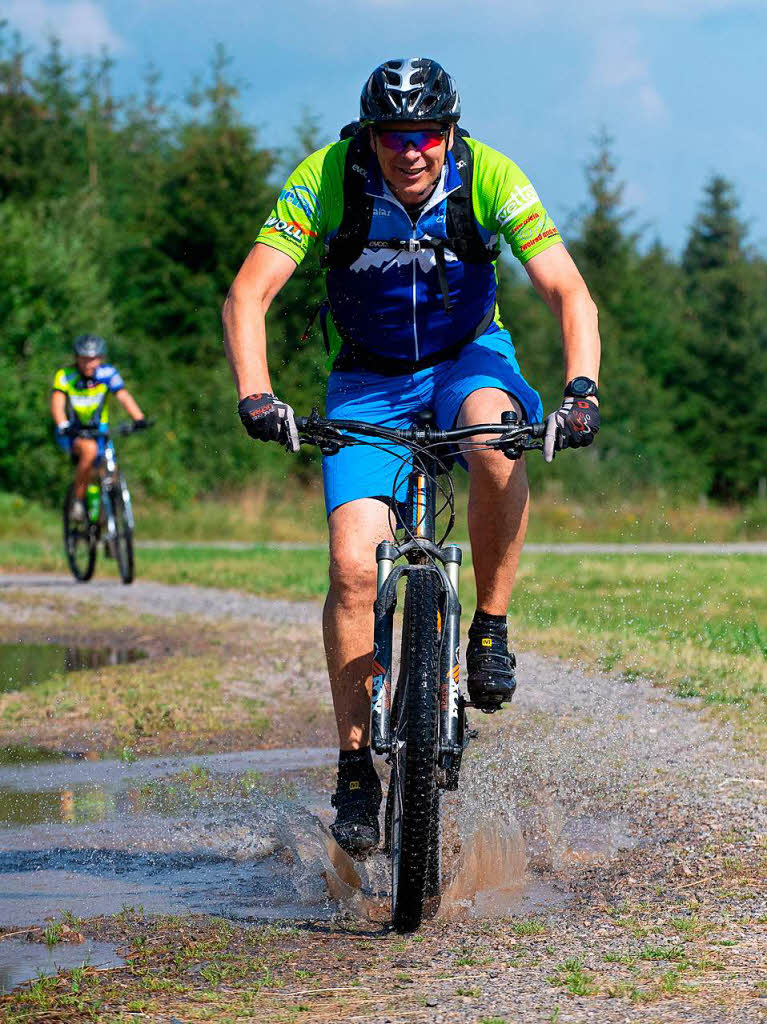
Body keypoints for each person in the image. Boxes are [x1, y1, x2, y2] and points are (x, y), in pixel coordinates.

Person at [223, 58, 601, 855]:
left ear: (449, 130)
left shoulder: (489, 175)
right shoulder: (329, 178)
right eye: (393, 135)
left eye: (425, 133)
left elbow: (568, 291)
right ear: (370, 136)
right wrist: (256, 394)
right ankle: (355, 766)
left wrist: (581, 389)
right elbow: (248, 294)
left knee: (497, 440)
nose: (411, 151)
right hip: (367, 378)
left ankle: (490, 627)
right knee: (353, 568)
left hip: (468, 361)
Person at [51, 334, 147, 521]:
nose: (89, 363)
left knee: (110, 467)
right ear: (77, 357)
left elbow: (123, 396)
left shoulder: (107, 373)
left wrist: (139, 418)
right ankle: (78, 502)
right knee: (89, 451)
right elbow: (57, 403)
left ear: (101, 358)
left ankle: (106, 520)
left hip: (99, 430)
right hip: (72, 430)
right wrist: (63, 424)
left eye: (93, 358)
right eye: (84, 358)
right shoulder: (65, 376)